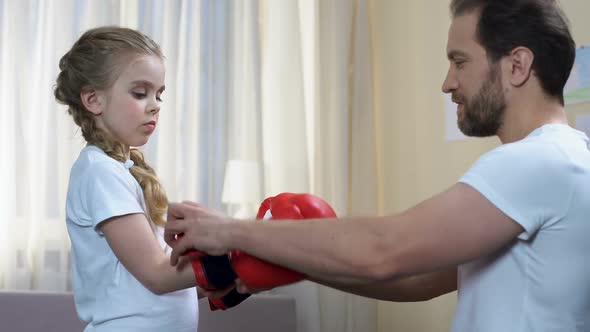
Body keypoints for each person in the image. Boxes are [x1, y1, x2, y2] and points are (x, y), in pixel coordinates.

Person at [164, 0, 590, 331]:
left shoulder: (538, 162)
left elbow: (385, 250)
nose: (447, 83)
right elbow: (418, 280)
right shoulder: (562, 160)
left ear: (517, 65)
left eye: (460, 61)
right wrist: (293, 259)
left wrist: (230, 231)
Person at [55, 26, 230, 332]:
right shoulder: (99, 172)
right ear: (94, 100)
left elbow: (154, 292)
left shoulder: (120, 170)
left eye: (159, 94)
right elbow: (158, 275)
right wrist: (237, 255)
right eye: (140, 93)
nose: (155, 105)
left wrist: (234, 277)